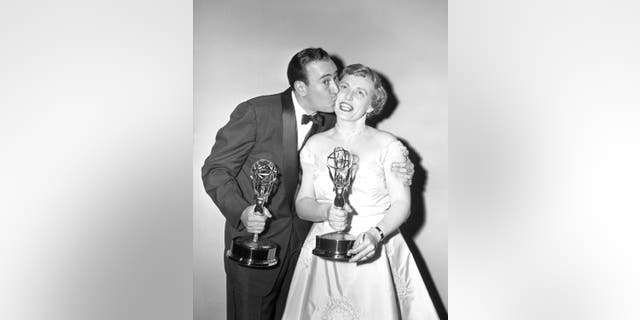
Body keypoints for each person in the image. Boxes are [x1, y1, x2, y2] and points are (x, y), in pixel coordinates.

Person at [201, 49, 414, 320]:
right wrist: (243, 211)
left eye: (337, 78)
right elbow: (216, 170)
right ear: (301, 87)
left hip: (310, 251)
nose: (337, 89)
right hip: (259, 246)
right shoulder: (256, 112)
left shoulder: (332, 120)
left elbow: (369, 153)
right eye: (327, 81)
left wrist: (404, 167)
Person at [282, 64, 440, 320]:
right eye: (344, 87)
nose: (348, 96)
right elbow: (302, 203)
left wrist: (376, 235)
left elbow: (402, 204)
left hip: (374, 248)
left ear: (370, 106)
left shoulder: (388, 145)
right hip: (324, 252)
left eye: (360, 92)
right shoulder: (315, 144)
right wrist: (325, 211)